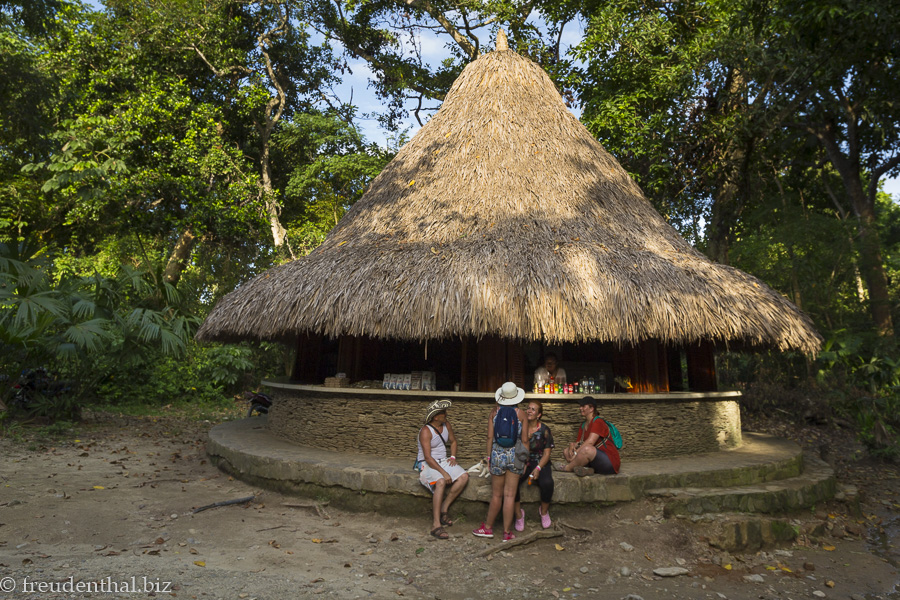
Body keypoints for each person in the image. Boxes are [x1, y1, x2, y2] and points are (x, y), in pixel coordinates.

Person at [472, 382, 528, 542]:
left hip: (497, 455)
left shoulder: (494, 412)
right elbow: (524, 440)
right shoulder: (521, 414)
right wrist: (524, 461)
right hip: (515, 456)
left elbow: (490, 437)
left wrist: (488, 458)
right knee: (509, 496)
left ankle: (488, 528)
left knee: (496, 495)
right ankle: (507, 533)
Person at [415, 399, 469, 539]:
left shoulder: (446, 425)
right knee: (440, 481)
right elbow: (427, 457)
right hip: (427, 464)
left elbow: (454, 441)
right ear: (435, 416)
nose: (446, 414)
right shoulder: (426, 431)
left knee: (464, 477)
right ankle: (436, 524)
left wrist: (452, 457)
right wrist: (444, 473)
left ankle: (444, 508)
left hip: (443, 461)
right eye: (443, 412)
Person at [512, 400, 555, 530]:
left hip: (541, 461)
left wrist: (538, 468)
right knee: (513, 482)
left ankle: (543, 511)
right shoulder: (519, 428)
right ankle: (519, 515)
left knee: (547, 482)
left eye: (533, 409)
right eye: (528, 408)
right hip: (523, 460)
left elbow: (547, 454)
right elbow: (514, 448)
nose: (529, 411)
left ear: (539, 415)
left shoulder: (544, 430)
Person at [560, 396, 620, 476]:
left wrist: (576, 453)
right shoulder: (583, 425)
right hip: (594, 460)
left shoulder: (598, 421)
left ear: (591, 409)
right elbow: (580, 442)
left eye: (583, 406)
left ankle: (567, 468)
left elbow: (590, 442)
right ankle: (589, 470)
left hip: (609, 462)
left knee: (587, 449)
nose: (580, 408)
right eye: (580, 406)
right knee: (566, 451)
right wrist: (572, 446)